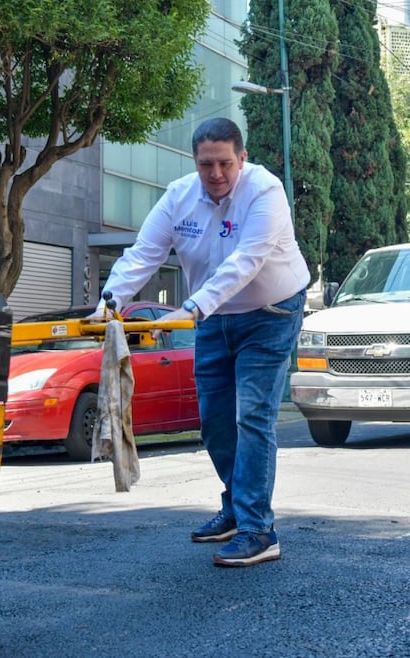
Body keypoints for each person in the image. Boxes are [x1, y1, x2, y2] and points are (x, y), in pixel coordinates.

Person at [94, 118, 309, 567]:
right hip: (211, 316)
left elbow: (246, 262)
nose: (216, 174)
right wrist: (109, 302)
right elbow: (143, 254)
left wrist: (191, 308)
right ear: (194, 162)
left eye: (225, 163)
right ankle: (235, 508)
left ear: (242, 158)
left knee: (252, 416)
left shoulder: (265, 192)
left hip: (269, 313)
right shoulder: (178, 197)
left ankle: (258, 528)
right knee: (213, 421)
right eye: (206, 164)